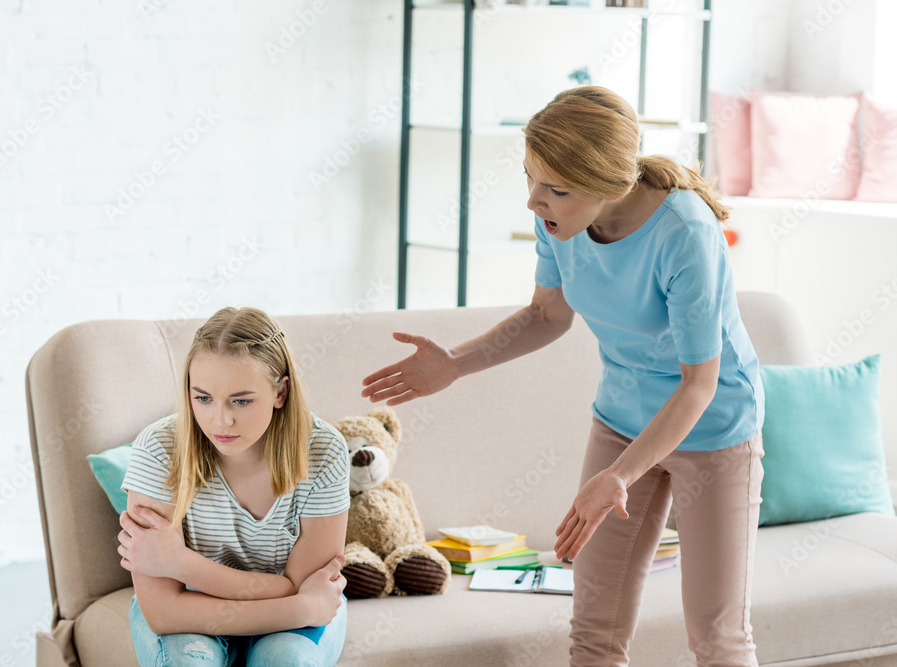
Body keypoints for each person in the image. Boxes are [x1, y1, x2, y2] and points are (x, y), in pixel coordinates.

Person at [361, 86, 765, 667]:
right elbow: (547, 316)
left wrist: (618, 478)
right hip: (622, 420)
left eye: (555, 189)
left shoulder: (685, 235)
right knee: (593, 632)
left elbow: (699, 383)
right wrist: (454, 363)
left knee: (718, 637)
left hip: (715, 429)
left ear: (608, 185)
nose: (534, 201)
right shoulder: (561, 226)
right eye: (529, 178)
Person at [117, 306, 350, 666]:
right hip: (196, 611)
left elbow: (306, 586)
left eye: (241, 400)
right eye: (203, 398)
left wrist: (181, 564)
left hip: (250, 612)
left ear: (280, 392)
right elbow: (163, 612)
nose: (220, 420)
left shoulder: (324, 451)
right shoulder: (158, 449)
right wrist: (298, 604)